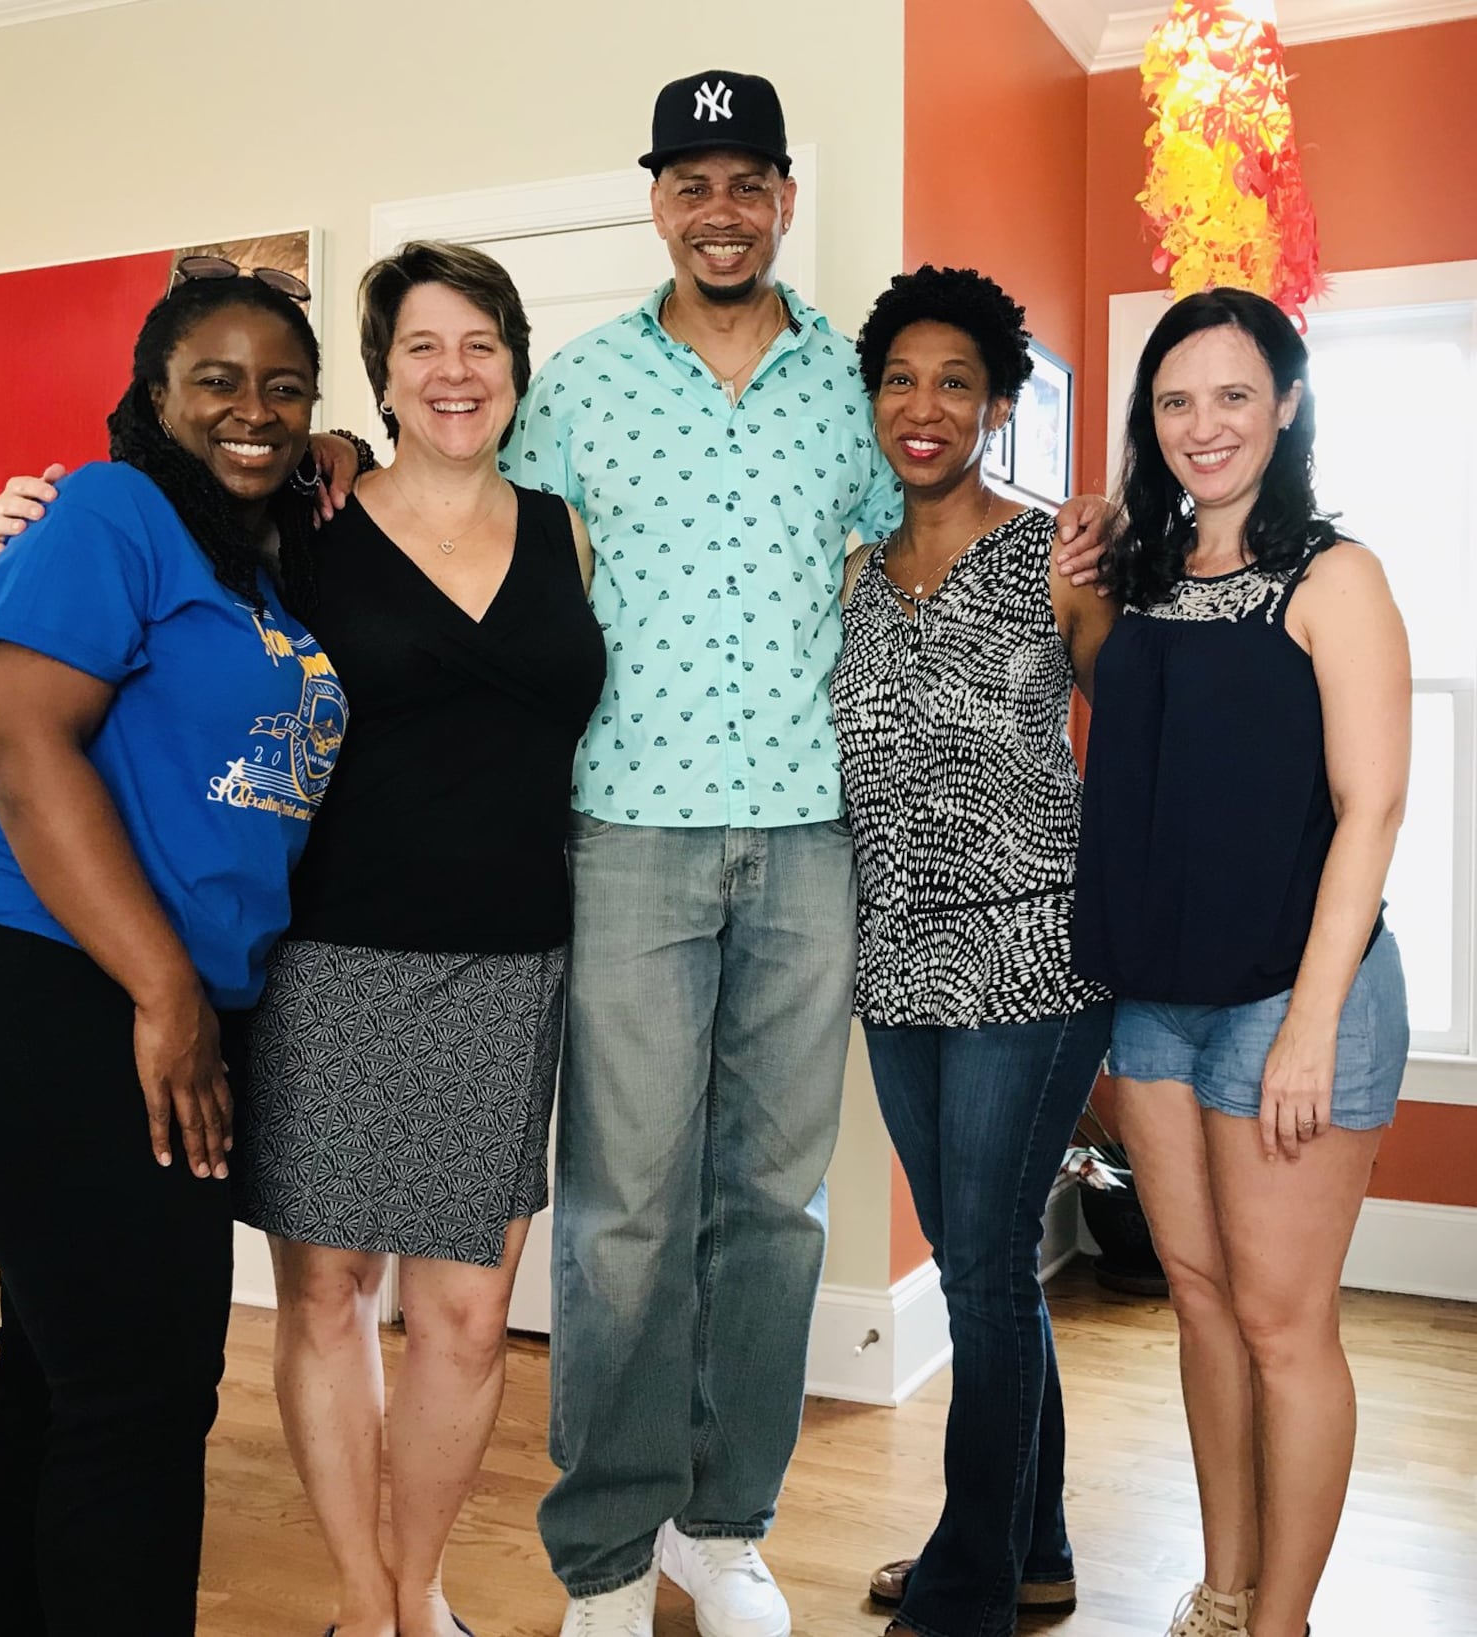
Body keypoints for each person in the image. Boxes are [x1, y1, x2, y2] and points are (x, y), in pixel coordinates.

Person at [497, 77, 1107, 1637]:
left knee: (773, 1208)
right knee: (623, 1207)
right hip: (627, 832)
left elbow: (939, 538)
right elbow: (484, 567)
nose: (720, 209)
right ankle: (609, 1552)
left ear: (781, 197)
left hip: (812, 840)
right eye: (690, 181)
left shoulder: (852, 385)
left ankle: (726, 1520)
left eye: (746, 182)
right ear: (659, 201)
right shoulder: (572, 389)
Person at [0, 241, 604, 1637]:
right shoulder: (300, 526)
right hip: (327, 955)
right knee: (328, 1300)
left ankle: (422, 1586)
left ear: (515, 365)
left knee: (461, 1319)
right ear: (381, 379)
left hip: (512, 963)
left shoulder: (565, 530)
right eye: (422, 346)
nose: (454, 370)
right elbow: (159, 544)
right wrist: (36, 510)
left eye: (480, 343)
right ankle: (362, 1606)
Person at [0, 272, 343, 1637]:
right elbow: (20, 746)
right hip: (40, 975)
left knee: (63, 1363)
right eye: (215, 380)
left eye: (282, 386)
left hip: (131, 990)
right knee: (141, 1388)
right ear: (155, 396)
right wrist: (164, 990)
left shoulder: (254, 558)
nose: (250, 410)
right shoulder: (112, 511)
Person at [1072, 288, 1411, 1637]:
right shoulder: (1147, 579)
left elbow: (1372, 809)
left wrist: (1312, 1024)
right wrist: (1078, 582)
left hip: (1290, 996)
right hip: (1154, 997)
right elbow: (1137, 721)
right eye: (1174, 401)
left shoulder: (1338, 577)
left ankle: (1282, 1620)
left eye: (1231, 395)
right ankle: (1223, 1588)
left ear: (1284, 406)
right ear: (1148, 424)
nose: (1202, 424)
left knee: (1284, 1325)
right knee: (1202, 1305)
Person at [830, 266, 1114, 1637]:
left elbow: (1146, 724)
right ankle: (1036, 1545)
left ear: (995, 403)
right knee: (977, 1256)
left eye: (955, 382)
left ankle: (967, 1587)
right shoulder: (850, 570)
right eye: (900, 379)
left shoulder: (1058, 554)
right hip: (893, 967)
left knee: (988, 1269)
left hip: (1031, 961)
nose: (923, 406)